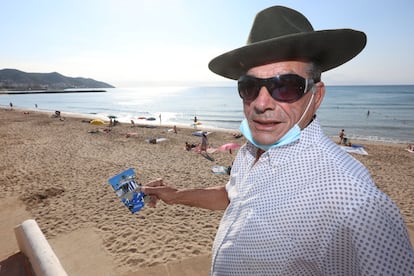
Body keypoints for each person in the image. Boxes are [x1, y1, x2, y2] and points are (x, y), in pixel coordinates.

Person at [142, 6, 414, 275]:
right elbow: (233, 196)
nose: (261, 103)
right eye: (249, 87)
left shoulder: (355, 200)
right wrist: (175, 196)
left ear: (316, 96)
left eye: (285, 86)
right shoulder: (252, 152)